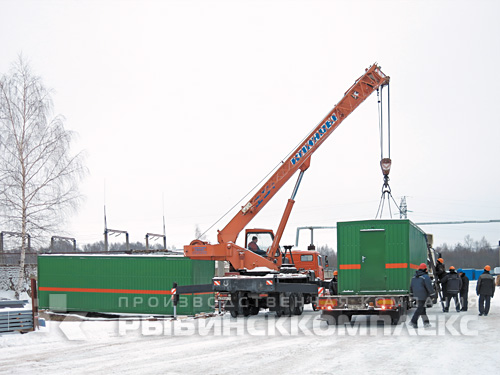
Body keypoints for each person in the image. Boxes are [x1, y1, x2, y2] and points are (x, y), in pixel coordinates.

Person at [410, 263, 435, 328]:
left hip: (416, 295)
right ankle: (413, 321)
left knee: (422, 309)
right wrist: (432, 294)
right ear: (425, 269)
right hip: (423, 295)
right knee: (420, 308)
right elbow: (429, 286)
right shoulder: (425, 277)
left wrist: (412, 294)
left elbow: (411, 286)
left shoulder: (414, 277)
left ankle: (426, 323)